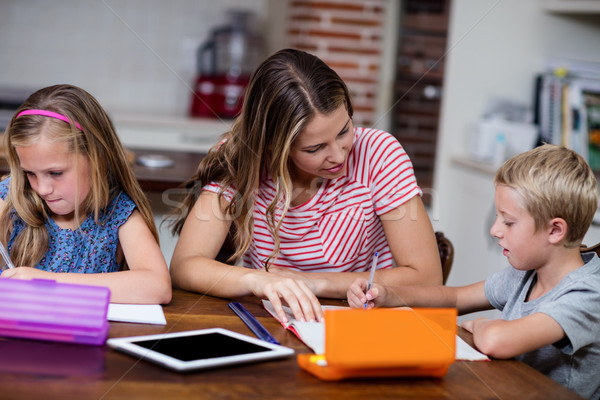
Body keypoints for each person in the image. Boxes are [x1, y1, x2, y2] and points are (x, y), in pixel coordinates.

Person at [169, 48, 442, 324]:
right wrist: (258, 281)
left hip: (359, 325)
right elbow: (184, 265)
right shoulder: (240, 159)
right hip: (269, 323)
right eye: (315, 148)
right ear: (274, 146)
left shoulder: (379, 154)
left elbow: (428, 279)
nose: (338, 156)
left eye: (344, 131)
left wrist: (313, 283)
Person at [347, 144, 600, 399]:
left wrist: (481, 325)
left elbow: (496, 341)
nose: (495, 230)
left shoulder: (586, 295)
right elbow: (454, 298)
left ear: (555, 230)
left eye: (508, 222)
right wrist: (389, 296)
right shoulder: (528, 273)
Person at [0, 84, 171, 304]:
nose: (42, 189)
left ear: (96, 158)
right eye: (30, 173)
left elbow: (158, 286)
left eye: (55, 172)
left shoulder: (118, 212)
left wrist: (49, 282)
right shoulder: (12, 197)